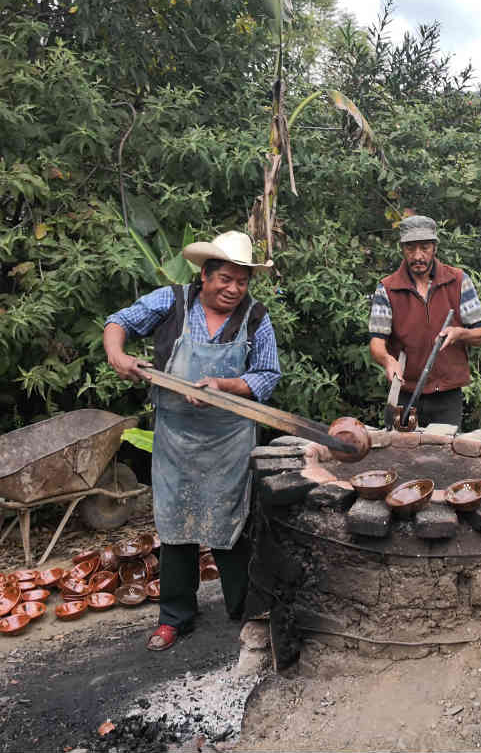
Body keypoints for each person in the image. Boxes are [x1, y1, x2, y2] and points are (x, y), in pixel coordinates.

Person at [103, 230, 281, 651]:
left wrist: (224, 385)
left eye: (242, 281)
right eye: (226, 279)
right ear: (205, 275)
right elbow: (119, 321)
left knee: (232, 525)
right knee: (176, 526)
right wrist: (119, 356)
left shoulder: (256, 317)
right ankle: (176, 617)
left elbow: (268, 376)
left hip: (230, 438)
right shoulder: (172, 301)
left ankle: (245, 611)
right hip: (176, 437)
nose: (234, 289)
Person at [368, 215, 481, 429]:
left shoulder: (458, 280)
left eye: (424, 248)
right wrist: (387, 361)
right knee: (400, 458)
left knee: (445, 457)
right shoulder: (387, 288)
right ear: (402, 249)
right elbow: (377, 343)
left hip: (446, 396)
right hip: (404, 394)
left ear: (434, 247)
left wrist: (460, 333)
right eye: (410, 249)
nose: (418, 256)